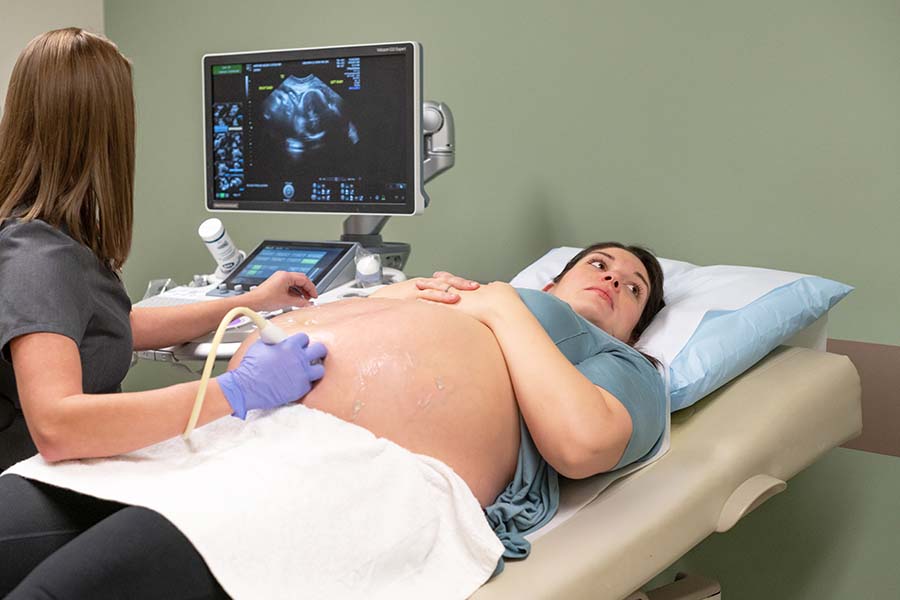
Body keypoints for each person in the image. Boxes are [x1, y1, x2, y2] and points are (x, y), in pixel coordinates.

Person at [0, 28, 667, 598]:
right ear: (553, 276)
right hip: (239, 436)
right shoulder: (41, 254)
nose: (613, 278)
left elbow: (583, 442)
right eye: (598, 263)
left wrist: (500, 304)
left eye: (634, 287)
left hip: (344, 467)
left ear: (636, 329)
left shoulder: (612, 359)